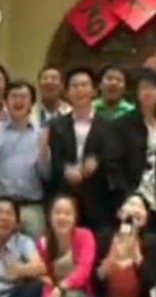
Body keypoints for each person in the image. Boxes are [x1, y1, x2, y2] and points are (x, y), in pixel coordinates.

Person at [0, 79, 51, 239]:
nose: (18, 100)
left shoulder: (41, 133)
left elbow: (46, 174)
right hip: (0, 205)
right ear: (5, 102)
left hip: (31, 207)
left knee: (34, 251)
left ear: (31, 103)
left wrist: (44, 150)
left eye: (23, 97)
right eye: (13, 96)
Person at [49, 67, 116, 231]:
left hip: (98, 199)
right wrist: (66, 170)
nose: (80, 90)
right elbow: (54, 159)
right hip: (65, 196)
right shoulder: (57, 125)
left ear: (94, 90)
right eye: (75, 86)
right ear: (67, 92)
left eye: (84, 85)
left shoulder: (109, 126)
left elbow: (114, 159)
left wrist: (98, 162)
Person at [85, 194, 156, 297]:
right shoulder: (105, 237)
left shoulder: (151, 242)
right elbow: (95, 282)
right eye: (131, 204)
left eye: (140, 207)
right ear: (119, 213)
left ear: (146, 218)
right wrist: (111, 257)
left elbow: (150, 282)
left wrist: (137, 255)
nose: (134, 209)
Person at [110, 67, 156, 224]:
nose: (148, 92)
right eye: (144, 88)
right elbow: (114, 165)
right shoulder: (121, 124)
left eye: (153, 88)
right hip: (132, 195)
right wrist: (128, 196)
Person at [37, 195, 96, 297]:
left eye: (68, 213)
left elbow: (84, 270)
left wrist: (61, 288)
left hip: (79, 294)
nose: (62, 217)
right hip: (53, 296)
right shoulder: (43, 243)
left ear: (75, 217)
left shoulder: (85, 236)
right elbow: (44, 278)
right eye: (57, 213)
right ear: (50, 216)